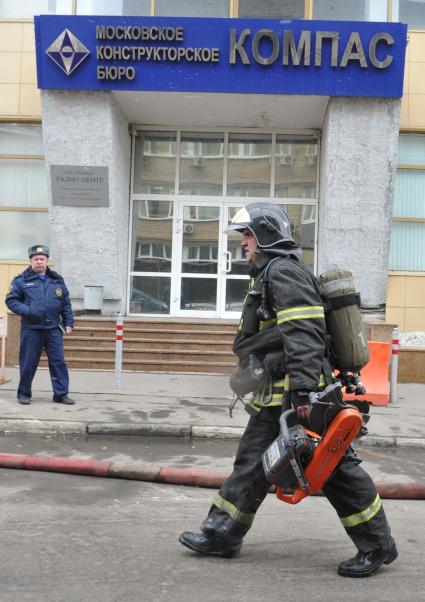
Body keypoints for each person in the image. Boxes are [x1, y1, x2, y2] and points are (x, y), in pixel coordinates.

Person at [178, 202, 397, 578]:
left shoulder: (284, 273)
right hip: (275, 398)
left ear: (265, 235)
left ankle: (378, 545)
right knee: (250, 464)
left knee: (333, 467)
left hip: (297, 395)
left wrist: (306, 397)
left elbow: (306, 336)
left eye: (247, 235)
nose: (242, 242)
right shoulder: (269, 274)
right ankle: (223, 533)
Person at [5, 244, 74, 405]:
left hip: (53, 329)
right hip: (32, 329)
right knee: (28, 363)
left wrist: (69, 322)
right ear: (30, 261)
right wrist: (28, 311)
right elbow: (11, 300)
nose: (39, 262)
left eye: (42, 259)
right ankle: (24, 393)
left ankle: (60, 394)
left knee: (58, 362)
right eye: (36, 259)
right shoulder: (21, 281)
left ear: (47, 261)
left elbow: (66, 304)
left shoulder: (57, 280)